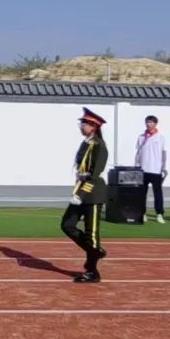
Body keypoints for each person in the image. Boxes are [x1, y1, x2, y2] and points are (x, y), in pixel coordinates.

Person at [60, 108, 109, 283]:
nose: (81, 126)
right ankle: (96, 251)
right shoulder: (86, 143)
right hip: (80, 190)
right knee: (67, 225)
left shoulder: (98, 146)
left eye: (85, 123)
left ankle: (92, 271)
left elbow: (94, 175)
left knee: (92, 233)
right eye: (82, 122)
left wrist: (81, 193)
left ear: (93, 126)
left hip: (92, 193)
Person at [134, 114, 167, 224]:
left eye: (151, 122)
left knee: (158, 193)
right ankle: (142, 213)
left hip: (156, 169)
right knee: (141, 194)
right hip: (143, 169)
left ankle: (159, 214)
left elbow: (163, 153)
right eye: (147, 122)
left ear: (155, 124)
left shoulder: (160, 137)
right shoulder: (141, 137)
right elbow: (138, 152)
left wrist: (164, 167)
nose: (149, 124)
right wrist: (136, 165)